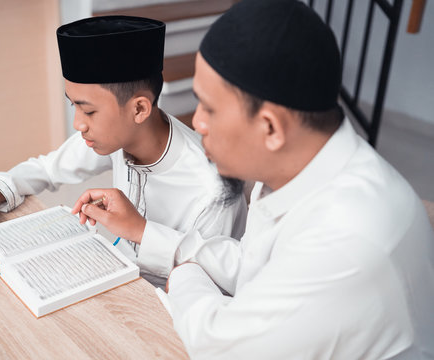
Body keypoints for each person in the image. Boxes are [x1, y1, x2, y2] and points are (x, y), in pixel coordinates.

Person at [75, 1, 434, 358]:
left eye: (209, 108)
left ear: (270, 127)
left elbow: (218, 344)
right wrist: (143, 232)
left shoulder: (344, 241)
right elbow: (249, 264)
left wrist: (185, 277)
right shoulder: (300, 169)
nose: (197, 124)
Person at [0, 15, 247, 288]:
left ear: (139, 108)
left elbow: (217, 289)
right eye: (72, 105)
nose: (78, 124)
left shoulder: (213, 190)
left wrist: (142, 231)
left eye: (88, 111)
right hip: (108, 280)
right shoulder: (116, 136)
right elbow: (46, 169)